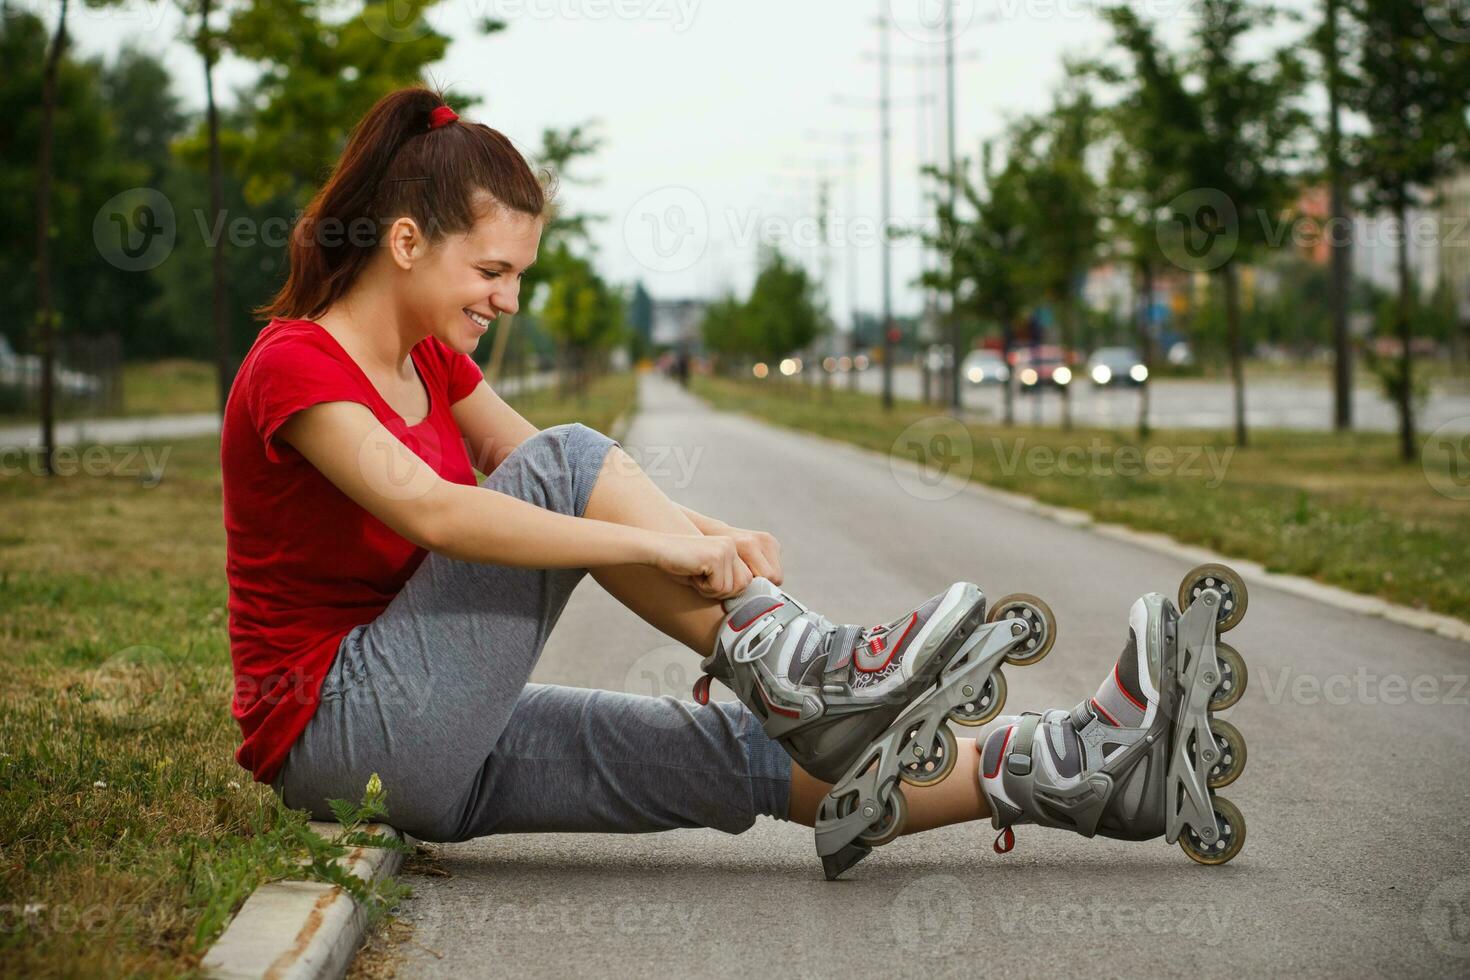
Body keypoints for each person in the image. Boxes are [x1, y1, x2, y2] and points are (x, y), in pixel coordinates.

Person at [221, 87, 1248, 878]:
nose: (509, 298)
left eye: (521, 275)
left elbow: (562, 477)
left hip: (432, 744)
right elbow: (442, 507)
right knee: (573, 455)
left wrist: (714, 534)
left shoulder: (433, 363)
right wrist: (663, 546)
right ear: (405, 242)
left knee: (732, 745)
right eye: (492, 271)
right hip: (338, 728)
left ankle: (1082, 768)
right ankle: (806, 665)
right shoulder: (295, 364)